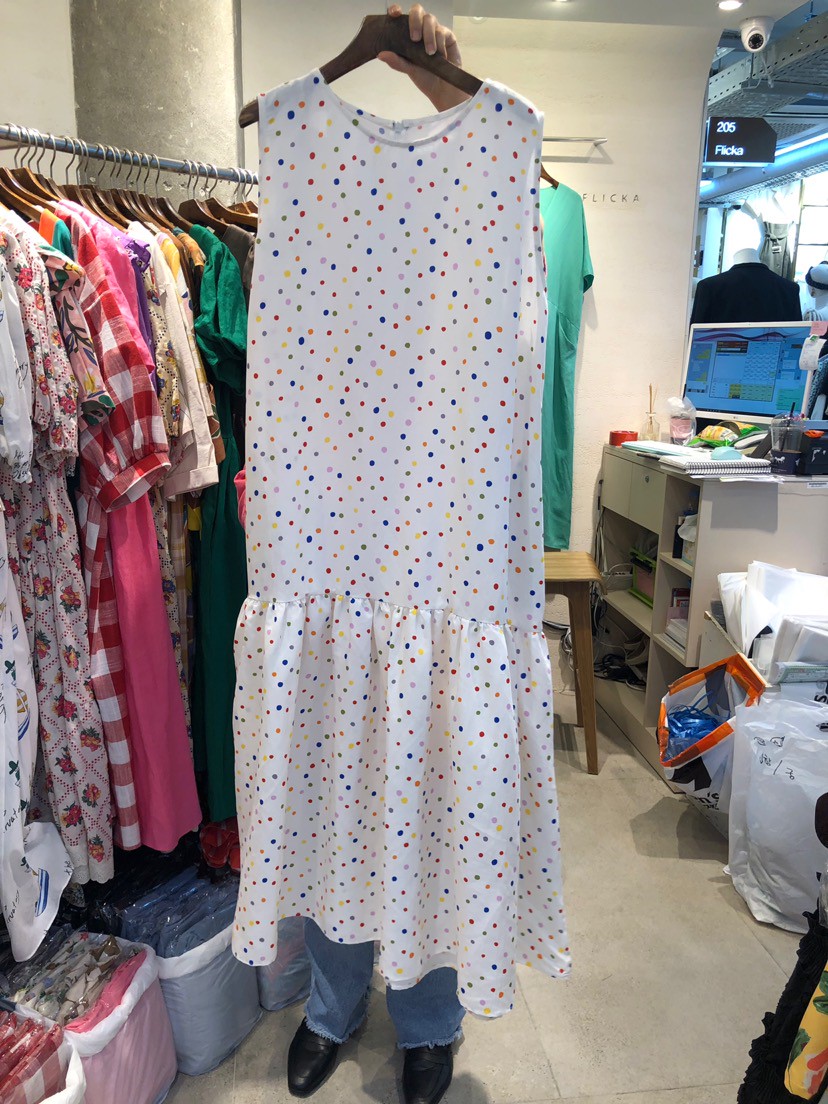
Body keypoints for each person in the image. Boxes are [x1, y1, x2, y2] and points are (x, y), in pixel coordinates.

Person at [285, 9, 472, 1104]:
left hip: (446, 535)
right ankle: (330, 1001)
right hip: (326, 530)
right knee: (332, 785)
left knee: (434, 793)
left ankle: (430, 1021)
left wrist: (443, 77)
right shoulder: (294, 142)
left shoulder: (499, 151)